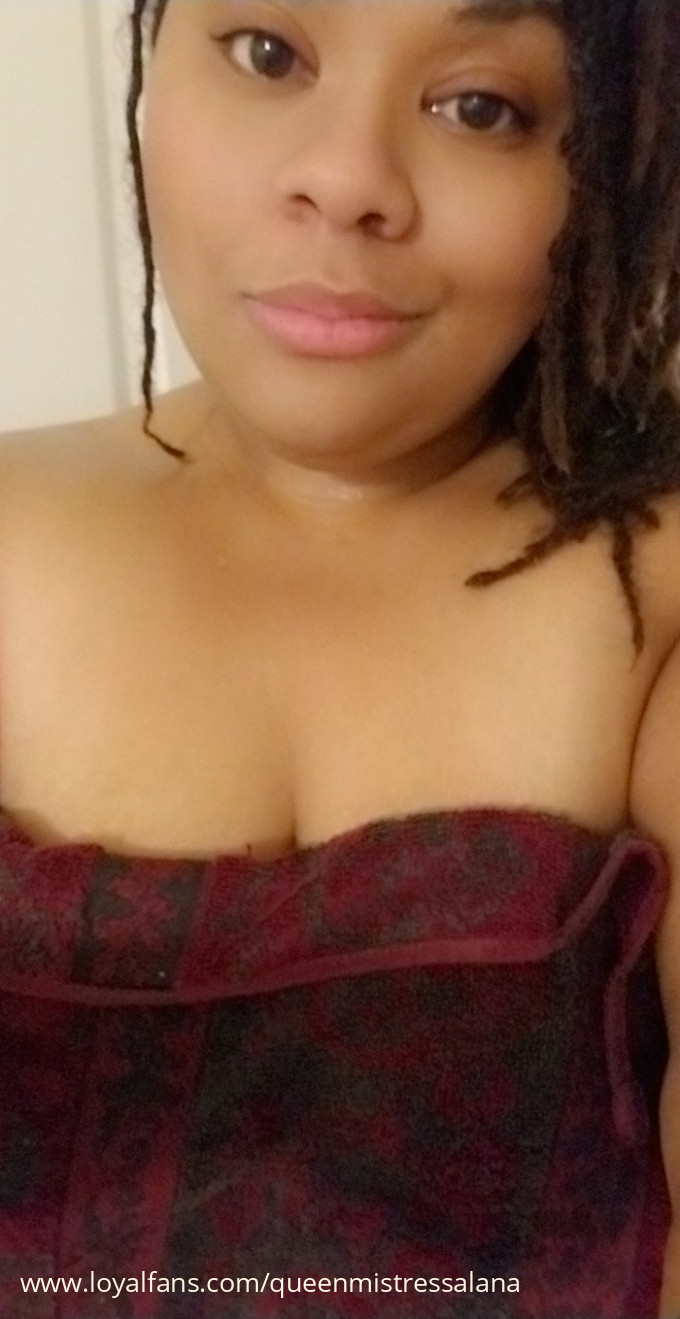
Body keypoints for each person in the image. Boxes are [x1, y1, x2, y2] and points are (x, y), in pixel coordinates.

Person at [0, 0, 678, 1314]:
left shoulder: (652, 601)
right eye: (269, 54)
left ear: (611, 159)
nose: (346, 177)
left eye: (480, 106)